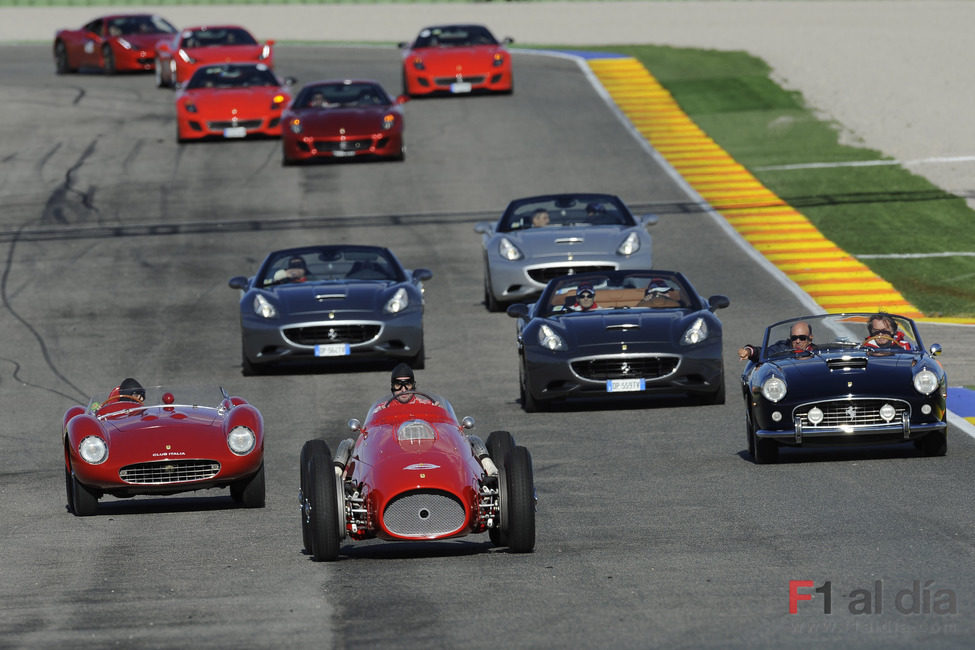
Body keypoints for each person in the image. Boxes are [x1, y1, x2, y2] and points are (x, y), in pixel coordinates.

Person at [738, 320, 816, 362]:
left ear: (810, 338)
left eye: (802, 338)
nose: (798, 341)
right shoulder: (782, 349)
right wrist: (748, 351)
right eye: (794, 338)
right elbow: (763, 353)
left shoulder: (819, 352)